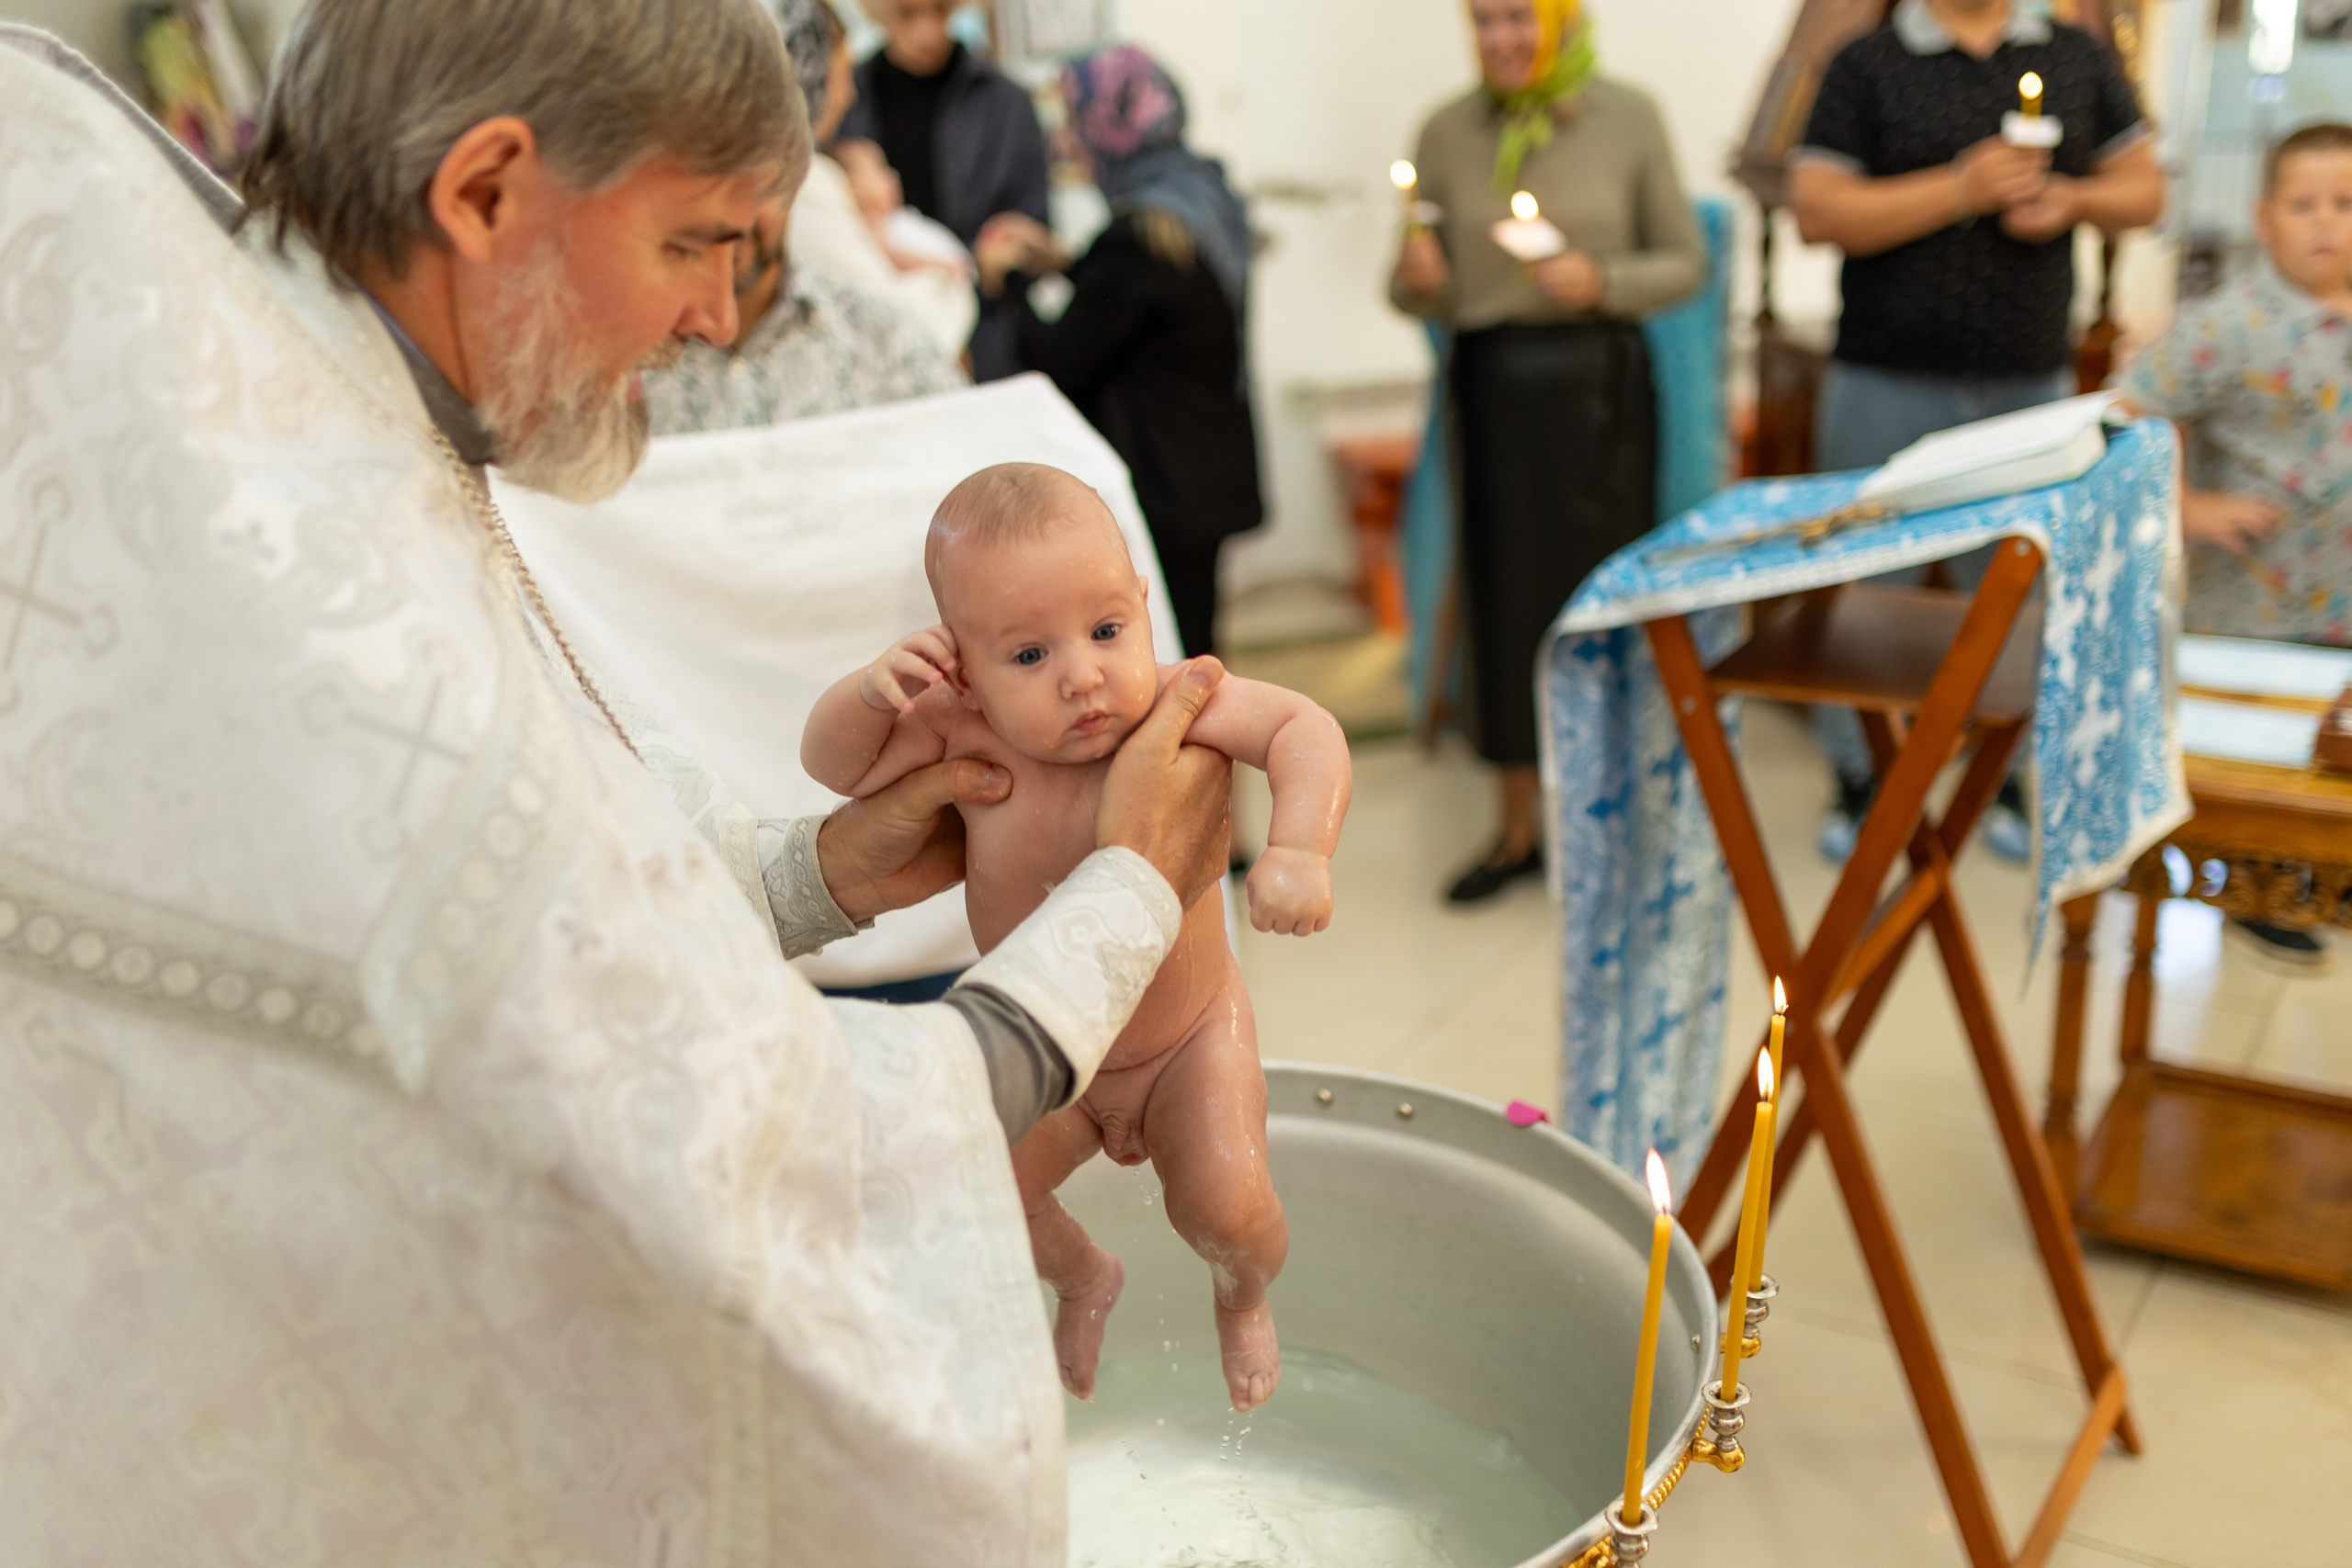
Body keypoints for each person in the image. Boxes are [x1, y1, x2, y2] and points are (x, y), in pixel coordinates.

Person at [0, 5, 1234, 1561]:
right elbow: (743, 1146)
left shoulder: (299, 403)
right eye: (696, 243)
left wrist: (821, 870)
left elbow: (520, 908)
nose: (719, 320)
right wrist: (1128, 890)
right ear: (489, 192)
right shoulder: (314, 585)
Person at [801, 463, 1351, 1413]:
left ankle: (1242, 1291)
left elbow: (1304, 727)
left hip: (1185, 1043)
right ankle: (1084, 1275)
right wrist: (870, 694)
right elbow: (832, 769)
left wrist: (1301, 847)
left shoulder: (1182, 700)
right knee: (975, 1199)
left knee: (1228, 1208)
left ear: (1144, 604)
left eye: (1106, 632)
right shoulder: (962, 732)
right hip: (1049, 1053)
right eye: (1027, 657)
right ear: (962, 672)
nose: (1083, 677)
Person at [1790, 0, 2163, 863]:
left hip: (2026, 382)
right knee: (1855, 586)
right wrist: (1961, 188)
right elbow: (1818, 210)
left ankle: (2000, 776)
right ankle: (1859, 777)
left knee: (2012, 592)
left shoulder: (2074, 54)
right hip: (1883, 376)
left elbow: (2145, 190)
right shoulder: (1867, 62)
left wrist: (2069, 197)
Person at [1388, 0, 1702, 904]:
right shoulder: (1446, 131)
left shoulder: (1629, 117)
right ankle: (1517, 830)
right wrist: (1416, 282)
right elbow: (1408, 283)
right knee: (1505, 611)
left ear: (1564, 20)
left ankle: (1618, 830)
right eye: (1483, 23)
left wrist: (1603, 279)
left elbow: (1685, 262)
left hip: (1599, 392)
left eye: (1519, 19)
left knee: (1603, 612)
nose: (1502, 41)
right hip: (1495, 395)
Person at [2118, 120, 2352, 969]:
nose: (2327, 222)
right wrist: (2187, 502)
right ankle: (2252, 884)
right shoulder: (2229, 324)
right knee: (2259, 745)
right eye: (2305, 205)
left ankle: (2326, 869)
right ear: (2265, 219)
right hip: (2251, 596)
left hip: (2343, 591)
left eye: (2346, 203)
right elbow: (2132, 410)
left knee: (2333, 739)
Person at [972, 45, 1263, 659]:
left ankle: (1204, 757)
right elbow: (1143, 309)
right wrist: (1066, 262)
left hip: (1167, 481)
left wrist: (1011, 278)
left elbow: (1061, 359)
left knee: (1177, 661)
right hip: (1204, 467)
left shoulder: (1139, 236)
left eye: (1077, 120)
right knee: (1199, 643)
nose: (1069, 141)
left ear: (1113, 122)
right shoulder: (1197, 197)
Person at [644, 0, 965, 433]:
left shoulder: (883, 344)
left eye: (755, 179)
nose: (731, 216)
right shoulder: (615, 360)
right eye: (703, 177)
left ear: (797, 174)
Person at [835, 0, 1048, 380]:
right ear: (878, 12)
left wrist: (999, 254)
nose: (927, 33)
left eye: (940, 11)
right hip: (872, 328)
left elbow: (1033, 225)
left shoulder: (1006, 103)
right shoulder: (846, 99)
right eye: (908, 14)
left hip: (984, 332)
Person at [771, 0, 977, 356]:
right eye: (839, 75)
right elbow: (894, 325)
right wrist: (951, 285)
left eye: (940, 12)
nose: (848, 95)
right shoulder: (805, 186)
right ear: (810, 72)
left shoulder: (1001, 100)